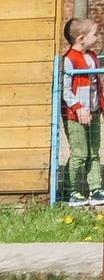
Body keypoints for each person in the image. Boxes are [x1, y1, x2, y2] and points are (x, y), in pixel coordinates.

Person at [60, 17, 101, 204]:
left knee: (93, 151)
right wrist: (78, 108)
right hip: (75, 115)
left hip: (93, 110)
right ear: (81, 38)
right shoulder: (70, 59)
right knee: (79, 152)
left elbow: (96, 86)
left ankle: (96, 188)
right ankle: (70, 190)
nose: (98, 37)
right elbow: (66, 90)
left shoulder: (91, 56)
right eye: (95, 34)